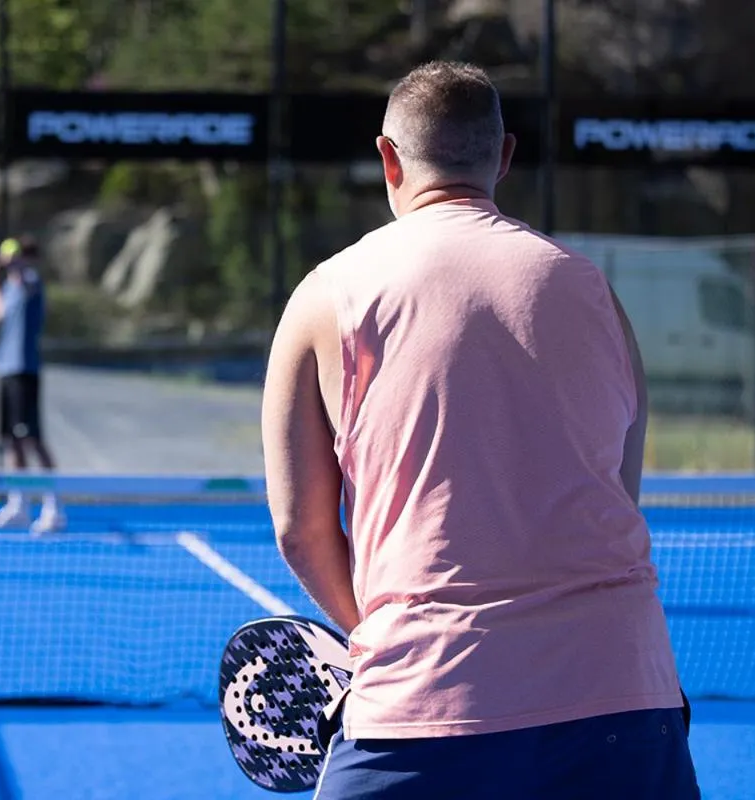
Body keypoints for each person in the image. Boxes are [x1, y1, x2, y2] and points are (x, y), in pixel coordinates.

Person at [260, 61, 700, 799]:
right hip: (626, 690)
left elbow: (299, 529)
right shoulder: (596, 291)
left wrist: (370, 633)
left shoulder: (324, 295)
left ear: (388, 159)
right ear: (503, 156)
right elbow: (616, 493)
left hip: (421, 706)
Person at [0, 235, 64, 535]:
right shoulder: (9, 287)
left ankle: (53, 507)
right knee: (12, 440)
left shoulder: (30, 280)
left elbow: (24, 283)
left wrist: (12, 265)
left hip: (25, 370)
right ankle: (20, 505)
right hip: (5, 368)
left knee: (33, 440)